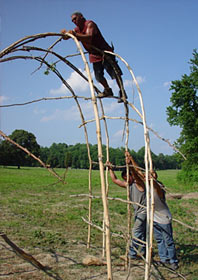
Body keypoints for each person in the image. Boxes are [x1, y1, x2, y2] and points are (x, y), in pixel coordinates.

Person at [61, 11, 127, 103]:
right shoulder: (77, 29)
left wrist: (74, 34)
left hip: (104, 52)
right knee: (98, 76)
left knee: (115, 74)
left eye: (75, 19)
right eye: (72, 20)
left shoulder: (90, 24)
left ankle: (122, 93)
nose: (74, 21)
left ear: (81, 17)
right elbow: (70, 35)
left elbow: (88, 37)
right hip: (94, 55)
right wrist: (65, 35)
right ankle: (108, 90)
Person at [107, 152, 147, 259]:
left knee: (136, 231)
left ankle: (132, 254)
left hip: (143, 211)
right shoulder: (128, 185)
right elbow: (115, 180)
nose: (125, 180)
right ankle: (145, 252)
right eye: (124, 178)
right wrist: (110, 169)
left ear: (131, 176)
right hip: (137, 212)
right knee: (142, 233)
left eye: (127, 177)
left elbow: (136, 173)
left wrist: (129, 164)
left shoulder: (138, 183)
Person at [151, 171, 179, 270]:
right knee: (159, 240)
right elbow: (139, 174)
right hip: (154, 219)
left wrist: (152, 178)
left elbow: (155, 185)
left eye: (154, 174)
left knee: (168, 241)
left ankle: (173, 261)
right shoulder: (148, 189)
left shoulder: (159, 190)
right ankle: (164, 259)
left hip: (164, 220)